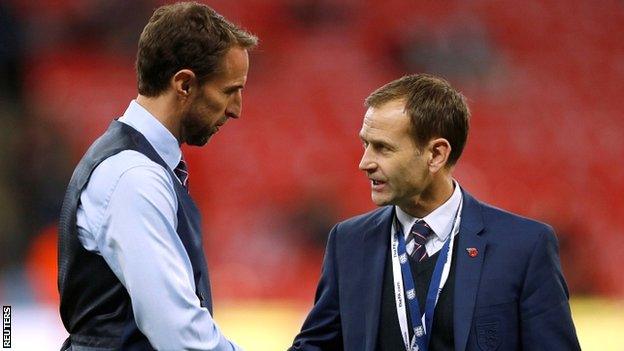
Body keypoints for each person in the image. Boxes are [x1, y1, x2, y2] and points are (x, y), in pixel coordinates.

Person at [289, 74, 580, 351]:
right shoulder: (349, 242)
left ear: (436, 155)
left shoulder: (523, 247)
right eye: (366, 144)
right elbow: (316, 345)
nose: (365, 163)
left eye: (382, 148)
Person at [57, 2, 257, 350]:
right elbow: (177, 332)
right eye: (229, 91)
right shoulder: (133, 177)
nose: (236, 109)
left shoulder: (141, 167)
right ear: (184, 84)